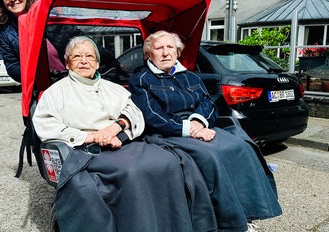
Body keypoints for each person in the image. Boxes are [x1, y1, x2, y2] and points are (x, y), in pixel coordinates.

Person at [32, 36, 217, 232]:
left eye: (89, 56)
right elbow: (46, 125)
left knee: (168, 161)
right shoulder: (55, 93)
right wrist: (92, 136)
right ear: (68, 63)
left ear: (97, 63)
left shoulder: (114, 89)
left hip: (123, 143)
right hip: (86, 151)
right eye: (77, 57)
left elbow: (135, 113)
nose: (84, 61)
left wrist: (117, 127)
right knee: (133, 172)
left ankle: (174, 225)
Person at [129, 30, 282, 232]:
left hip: (200, 127)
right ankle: (231, 222)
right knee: (211, 157)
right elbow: (152, 116)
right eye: (159, 48)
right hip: (169, 132)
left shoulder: (190, 76)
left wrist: (199, 123)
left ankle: (249, 211)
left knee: (241, 147)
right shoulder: (141, 79)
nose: (165, 53)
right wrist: (190, 129)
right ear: (149, 54)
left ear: (177, 52)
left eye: (170, 47)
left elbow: (209, 105)